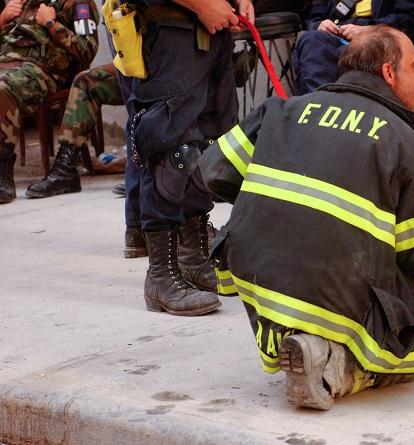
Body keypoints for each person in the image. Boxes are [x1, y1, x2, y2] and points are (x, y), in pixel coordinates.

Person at [200, 25, 414, 410]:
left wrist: (268, 207)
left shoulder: (281, 109)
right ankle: (336, 367)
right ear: (387, 72)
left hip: (255, 276)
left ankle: (296, 339)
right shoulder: (405, 145)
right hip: (325, 286)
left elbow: (213, 171)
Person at [118, 0, 254, 316]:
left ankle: (194, 258)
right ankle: (160, 276)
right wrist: (203, 4)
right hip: (169, 28)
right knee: (172, 146)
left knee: (210, 141)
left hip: (214, 33)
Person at [0, 0, 100, 204]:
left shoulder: (78, 4)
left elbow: (87, 49)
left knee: (2, 88)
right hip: (5, 65)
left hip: (41, 71)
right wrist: (1, 20)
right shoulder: (23, 3)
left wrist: (51, 23)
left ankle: (2, 176)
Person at [25, 63, 123, 198]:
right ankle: (65, 168)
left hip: (158, 69)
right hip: (134, 63)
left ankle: (151, 172)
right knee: (85, 81)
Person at [291, 0, 414, 95]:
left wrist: (369, 30)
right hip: (334, 36)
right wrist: (319, 24)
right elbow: (313, 17)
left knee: (355, 52)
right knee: (311, 40)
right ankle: (319, 105)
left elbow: (411, 18)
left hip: (378, 37)